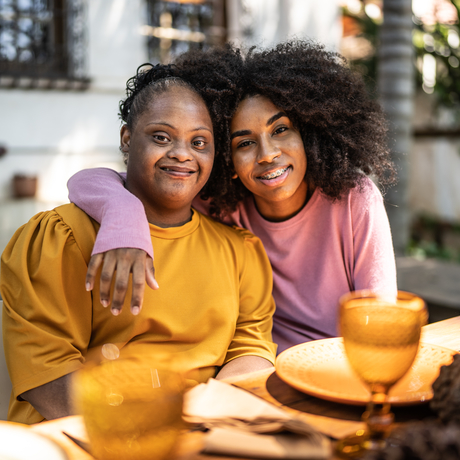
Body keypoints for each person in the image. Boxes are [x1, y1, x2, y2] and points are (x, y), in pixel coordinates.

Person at [68, 40, 397, 354]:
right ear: (228, 160)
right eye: (245, 143)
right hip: (258, 370)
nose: (267, 155)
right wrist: (123, 215)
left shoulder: (354, 198)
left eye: (280, 130)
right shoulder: (222, 204)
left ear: (309, 133)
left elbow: (380, 319)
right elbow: (90, 181)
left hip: (344, 365)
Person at [0, 64, 276, 424]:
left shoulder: (240, 251)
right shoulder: (62, 236)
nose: (182, 153)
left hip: (204, 430)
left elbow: (250, 348)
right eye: (162, 137)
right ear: (127, 139)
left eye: (199, 142)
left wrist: (206, 422)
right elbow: (48, 373)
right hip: (86, 433)